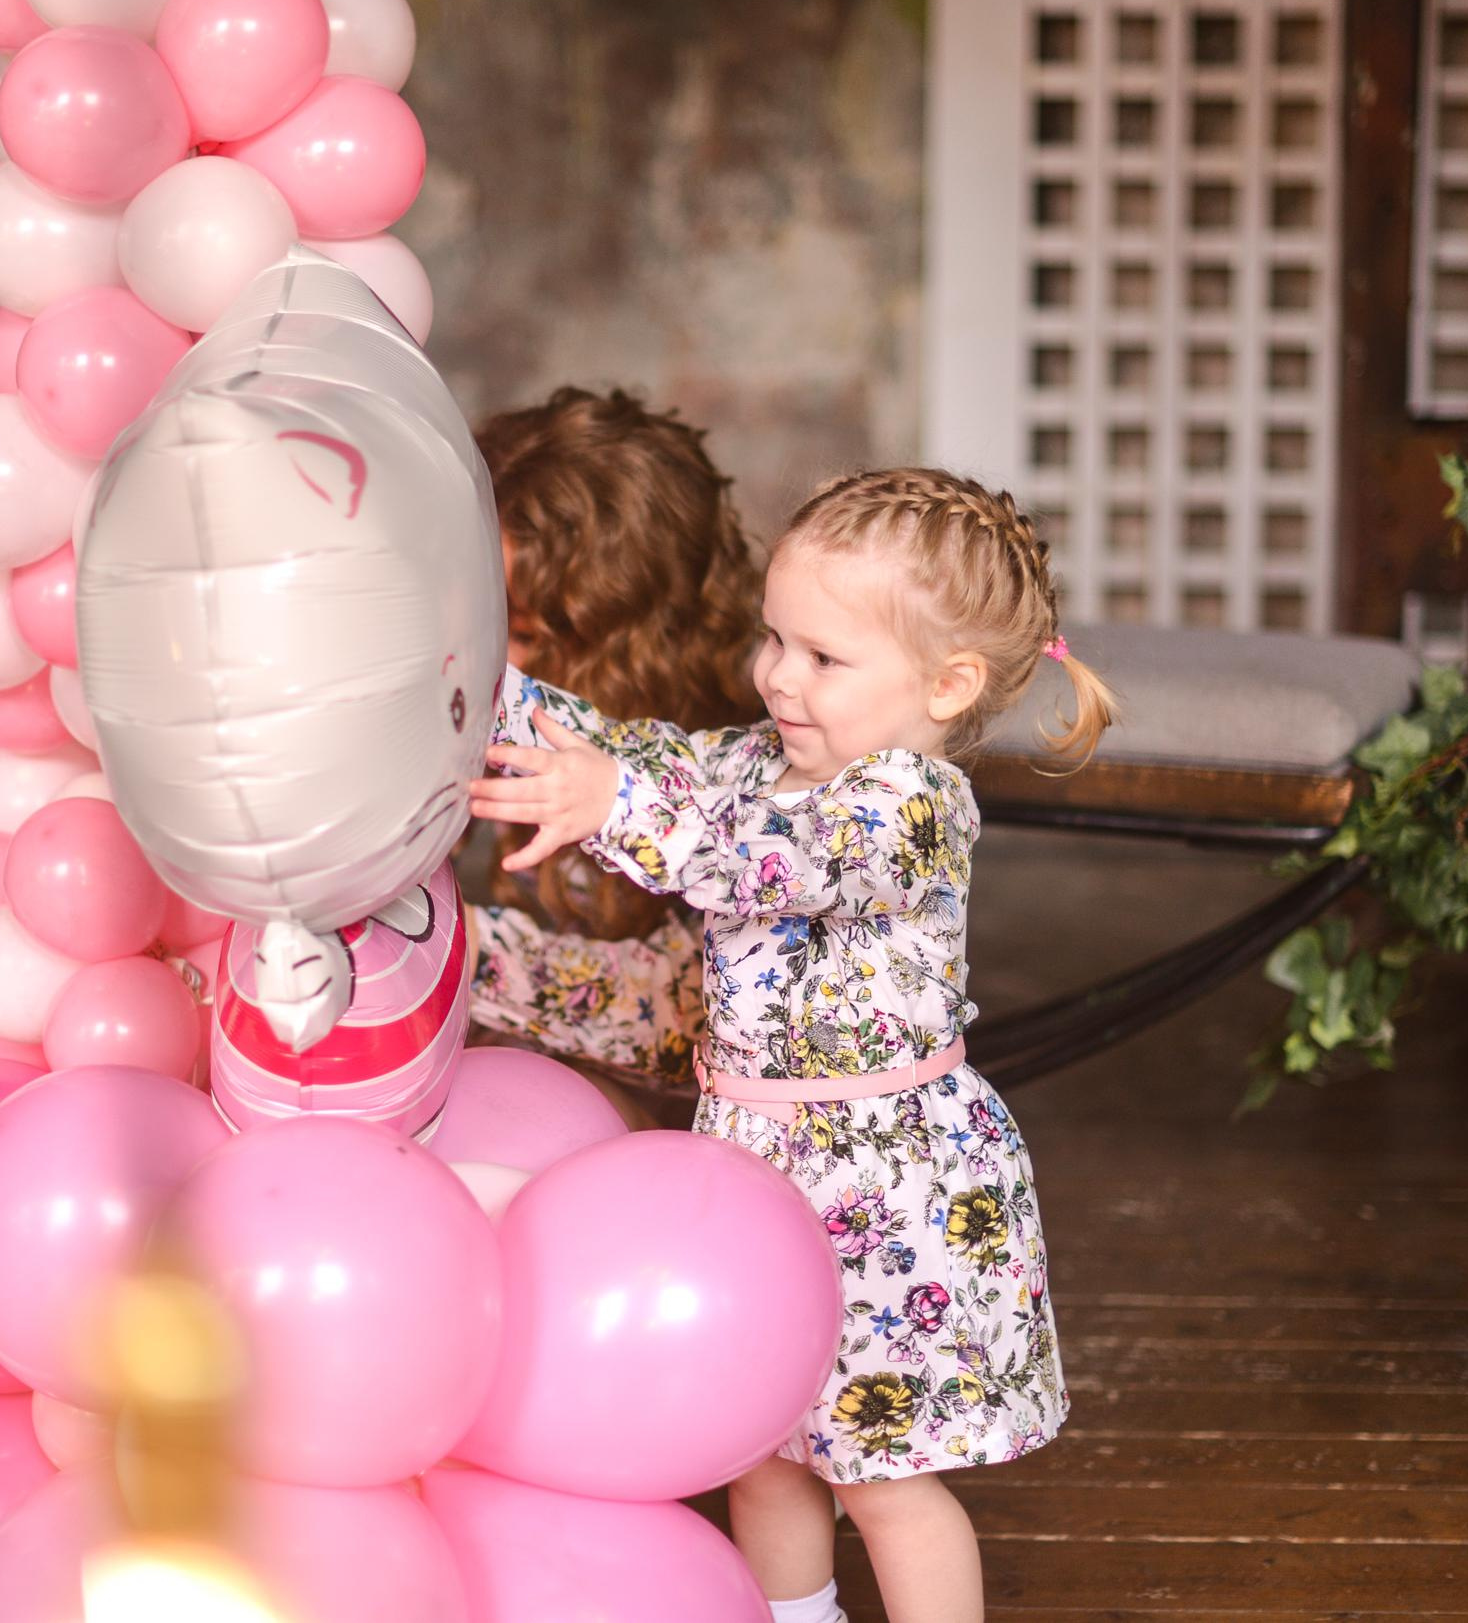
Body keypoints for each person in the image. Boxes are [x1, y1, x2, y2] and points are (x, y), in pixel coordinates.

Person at [473, 467, 1117, 1623]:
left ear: (946, 684)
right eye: (776, 639)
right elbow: (650, 756)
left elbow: (760, 855)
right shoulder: (762, 760)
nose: (777, 675)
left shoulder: (909, 806)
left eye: (823, 658)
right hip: (756, 1174)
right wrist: (495, 697)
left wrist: (613, 801)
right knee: (756, 1446)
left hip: (884, 1189)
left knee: (881, 1479)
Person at [461, 388, 764, 1118]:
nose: (490, 654)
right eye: (478, 611)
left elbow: (683, 1019)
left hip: (666, 1112)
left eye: (525, 633)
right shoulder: (509, 702)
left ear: (622, 642)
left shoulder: (740, 782)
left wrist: (464, 953)